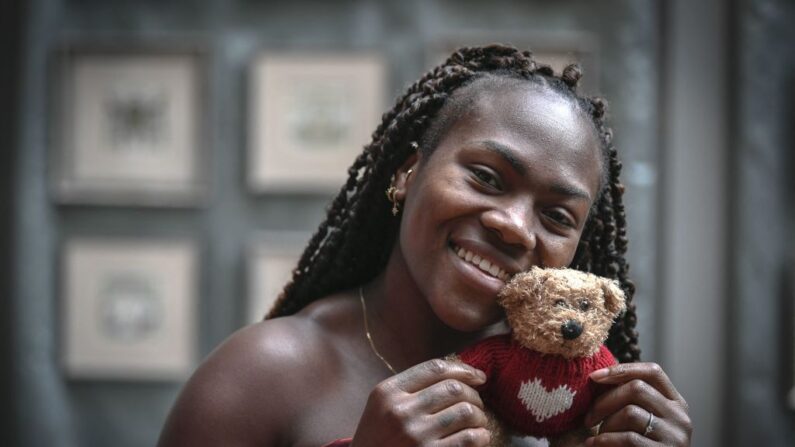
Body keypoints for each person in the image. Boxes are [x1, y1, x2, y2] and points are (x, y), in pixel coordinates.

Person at [158, 44, 692, 447]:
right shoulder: (261, 375)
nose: (514, 226)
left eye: (556, 215)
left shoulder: (582, 404)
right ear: (408, 173)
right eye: (486, 177)